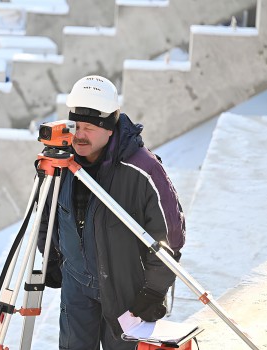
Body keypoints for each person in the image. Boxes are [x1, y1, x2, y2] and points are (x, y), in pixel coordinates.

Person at [38, 75, 185, 350]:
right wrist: (52, 257)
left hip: (127, 290)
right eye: (76, 126)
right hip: (76, 285)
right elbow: (47, 212)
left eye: (89, 127)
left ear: (109, 127)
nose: (79, 135)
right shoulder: (61, 162)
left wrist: (154, 290)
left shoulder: (142, 169)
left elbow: (170, 237)